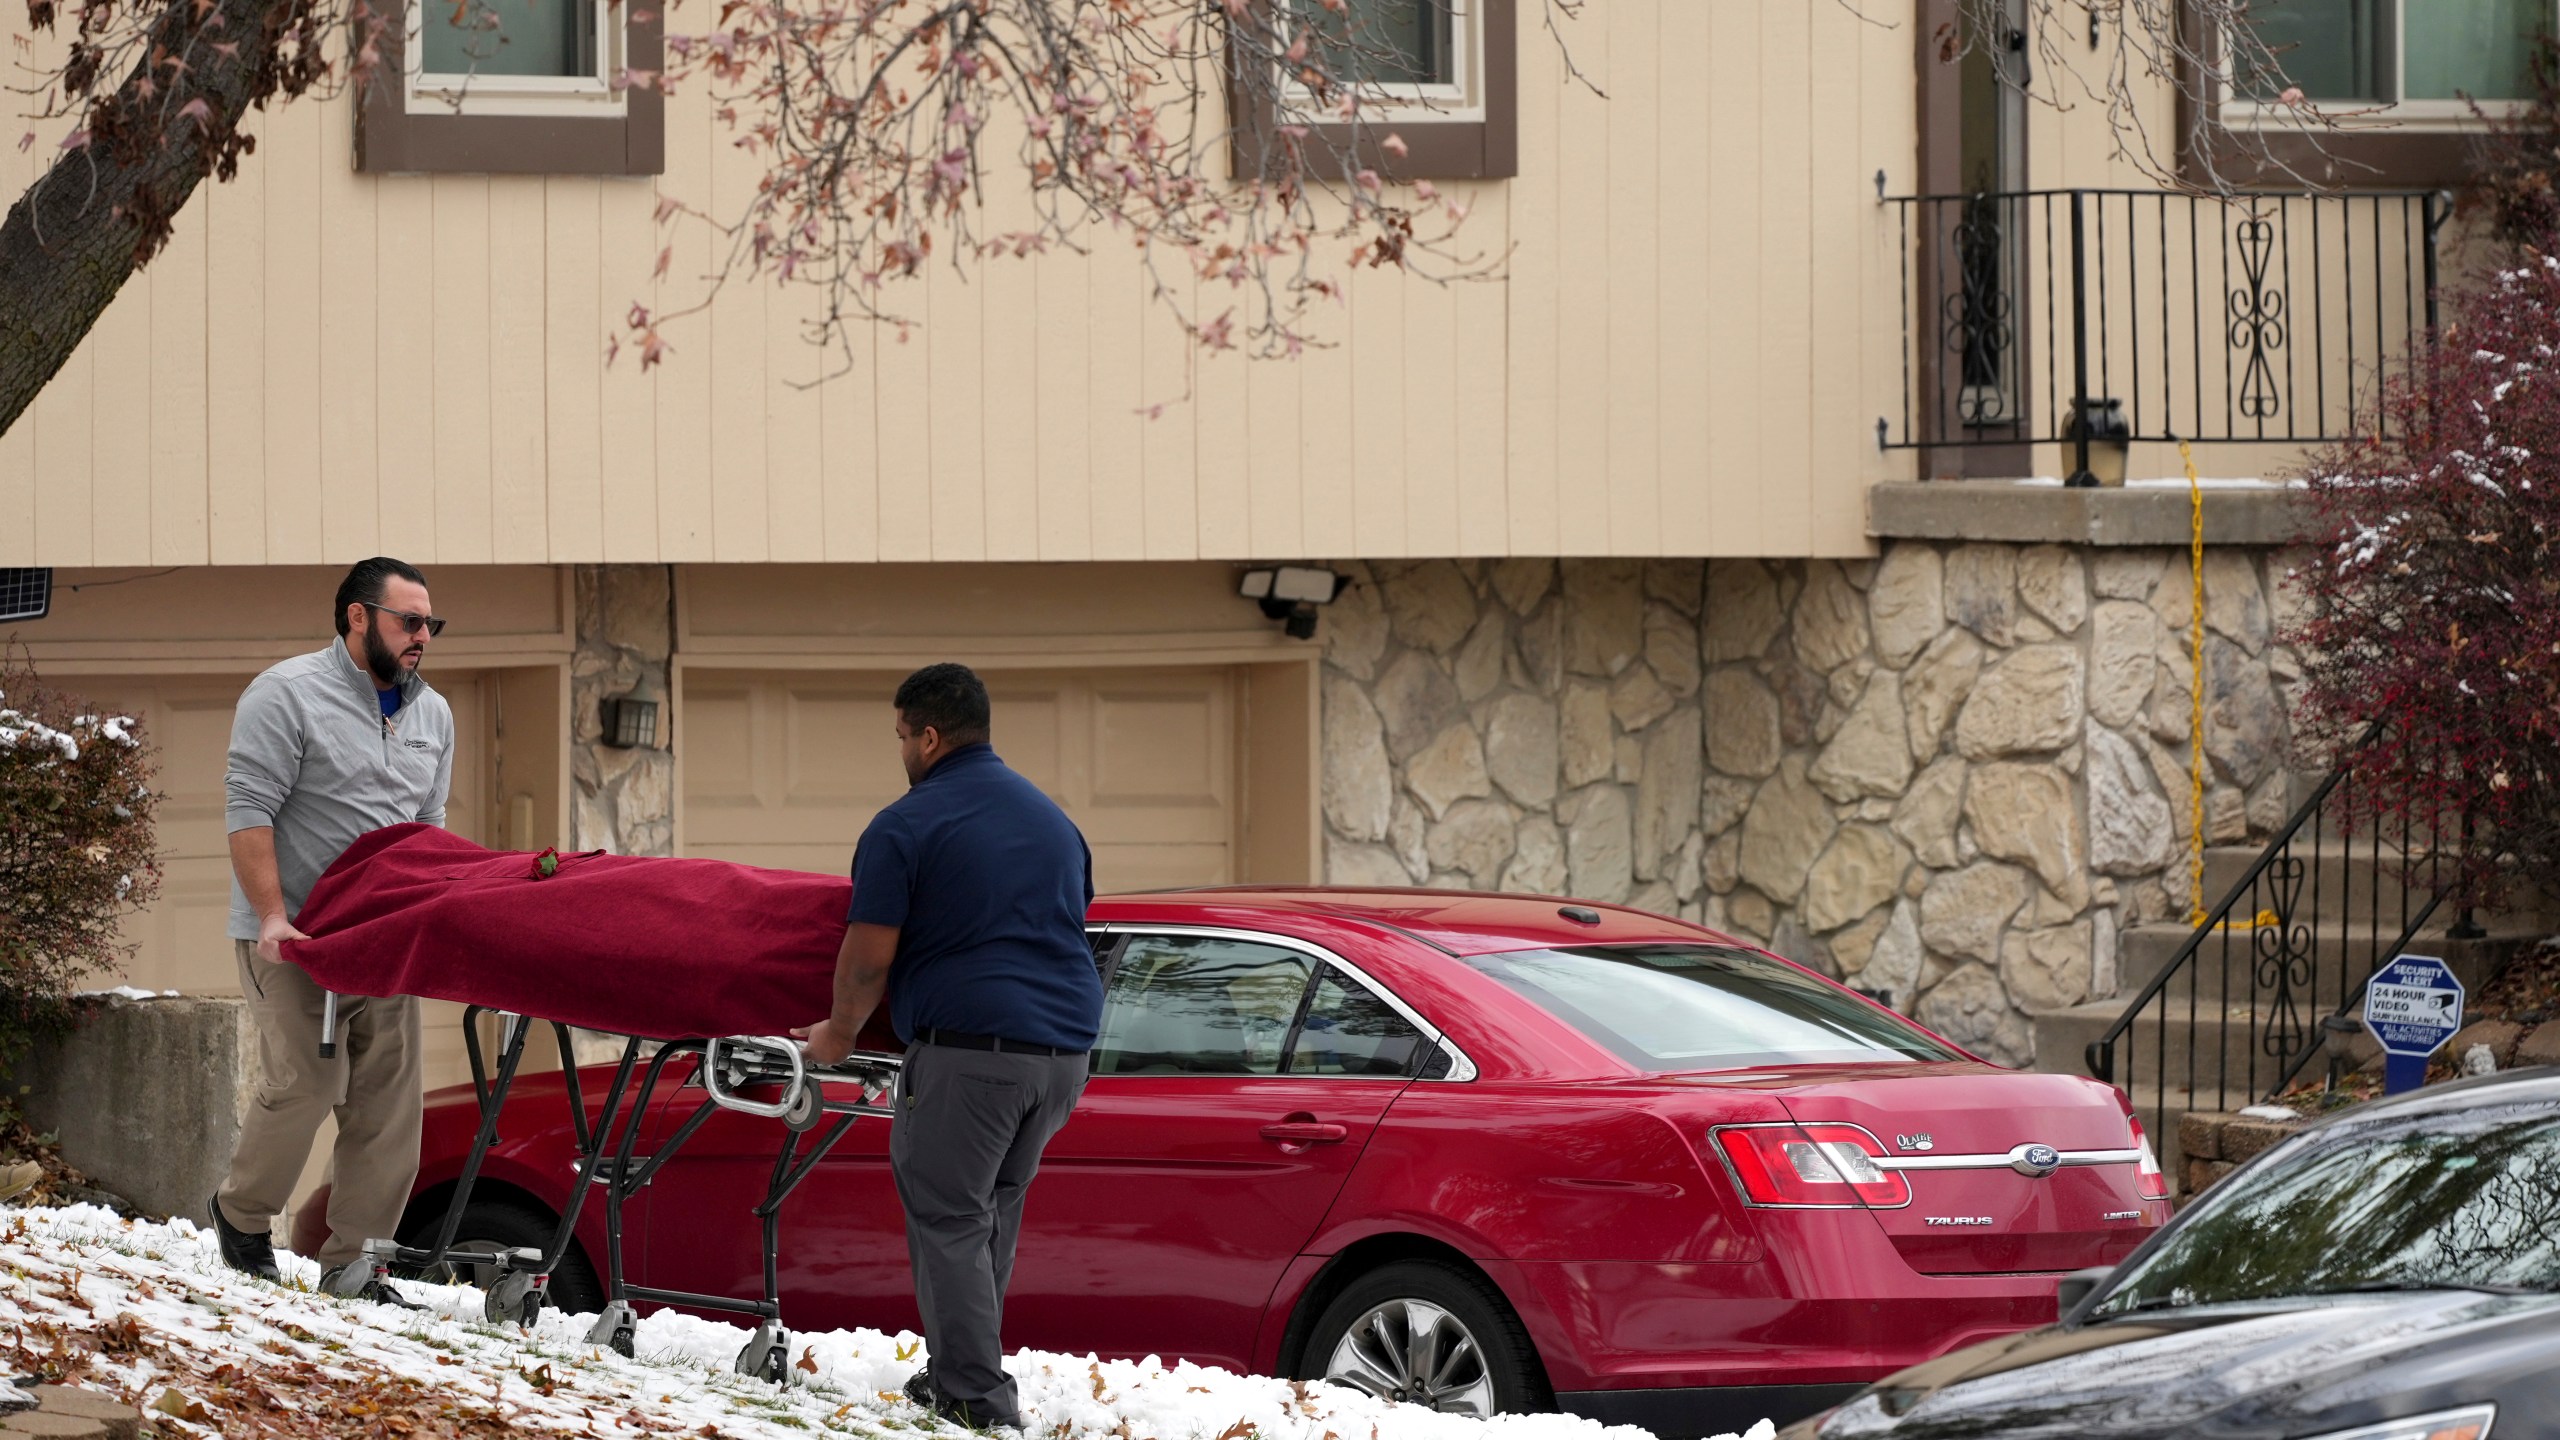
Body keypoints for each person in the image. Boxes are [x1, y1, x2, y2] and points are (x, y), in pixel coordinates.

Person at [794, 663, 1102, 1433]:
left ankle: (978, 1400)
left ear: (928, 737)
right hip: (1063, 1057)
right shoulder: (1052, 821)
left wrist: (836, 1031)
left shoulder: (907, 824)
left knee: (951, 1220)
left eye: (901, 736)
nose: (900, 751)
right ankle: (958, 1375)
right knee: (984, 1216)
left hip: (973, 1056)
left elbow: (868, 955)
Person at [207, 558, 454, 1308]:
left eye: (429, 625)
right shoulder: (286, 695)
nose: (422, 637)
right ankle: (242, 1215)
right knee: (307, 1085)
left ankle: (357, 1262)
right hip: (297, 938)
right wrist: (274, 916)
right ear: (356, 616)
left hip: (384, 942)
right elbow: (249, 810)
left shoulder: (434, 714)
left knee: (387, 1108)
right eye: (408, 621)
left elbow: (428, 830)